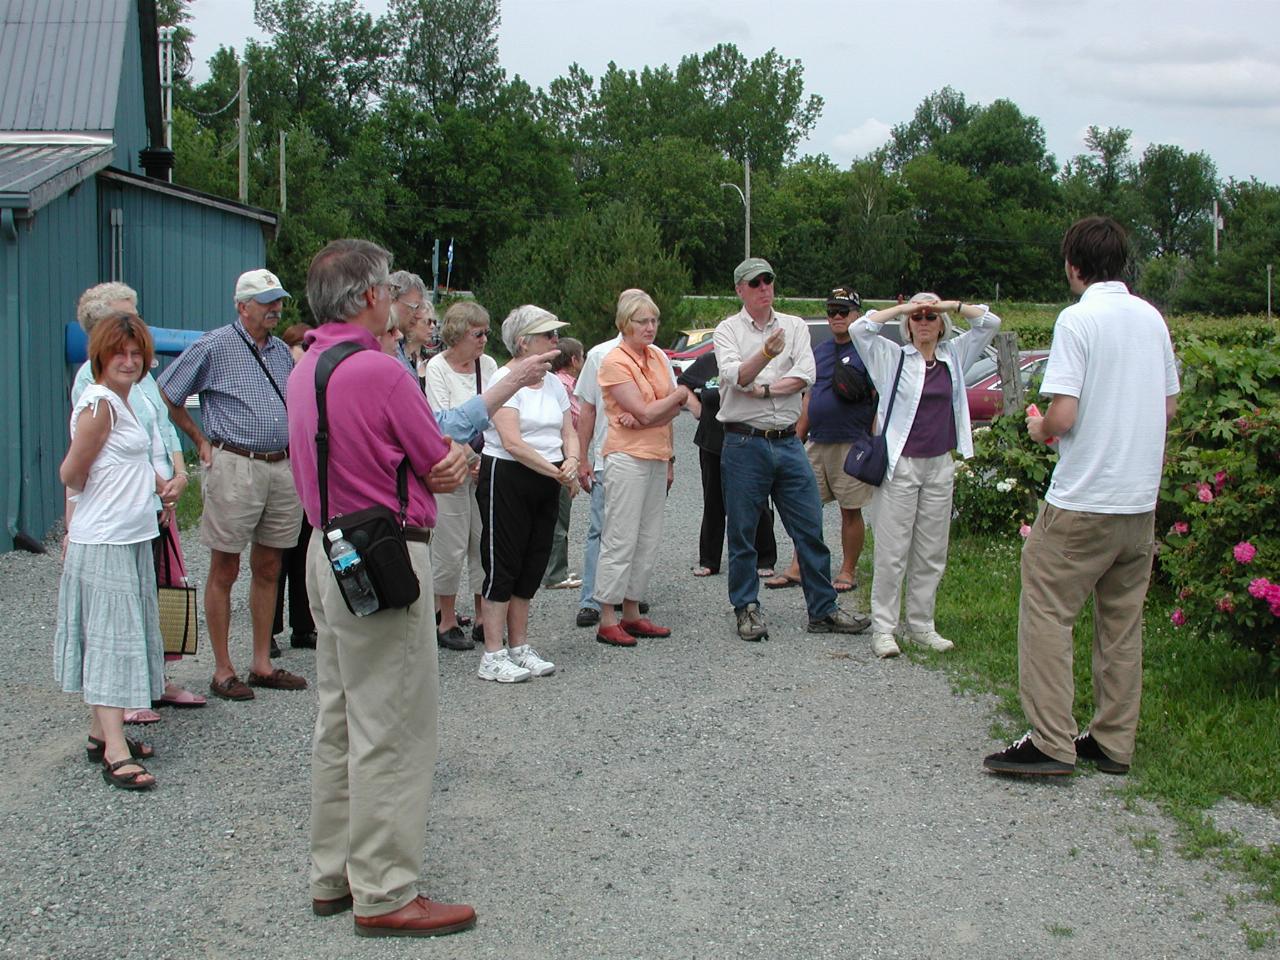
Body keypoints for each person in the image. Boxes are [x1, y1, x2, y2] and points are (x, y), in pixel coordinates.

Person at [287, 238, 476, 937]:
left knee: (339, 720)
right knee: (392, 726)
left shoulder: (305, 366)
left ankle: (334, 873)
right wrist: (452, 461)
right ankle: (387, 889)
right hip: (387, 552)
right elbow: (438, 461)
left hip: (325, 548)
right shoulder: (384, 371)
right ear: (369, 297)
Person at [984, 217, 1179, 777]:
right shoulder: (1152, 319)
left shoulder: (1078, 319)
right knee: (1121, 622)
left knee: (1047, 611)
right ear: (1122, 264)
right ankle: (1113, 741)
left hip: (1082, 498)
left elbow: (1064, 415)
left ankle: (1051, 741)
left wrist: (1039, 426)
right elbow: (1167, 408)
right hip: (1138, 502)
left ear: (1074, 266)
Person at [157, 268, 308, 701]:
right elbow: (169, 393)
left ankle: (261, 662)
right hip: (235, 463)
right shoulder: (212, 345)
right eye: (266, 302)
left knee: (270, 565)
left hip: (280, 467)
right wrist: (201, 440)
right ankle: (223, 668)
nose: (275, 309)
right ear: (242, 306)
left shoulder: (281, 351)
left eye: (277, 300)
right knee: (225, 567)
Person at [712, 257, 870, 642]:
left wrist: (763, 387)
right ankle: (746, 607)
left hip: (788, 440)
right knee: (744, 533)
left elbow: (806, 376)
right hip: (744, 441)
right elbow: (735, 376)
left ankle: (823, 609)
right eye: (755, 283)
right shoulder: (726, 331)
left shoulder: (796, 326)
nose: (764, 287)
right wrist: (766, 355)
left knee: (809, 527)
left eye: (768, 280)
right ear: (740, 290)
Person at [71, 283, 204, 717]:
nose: (139, 322)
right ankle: (120, 706)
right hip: (115, 520)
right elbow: (79, 469)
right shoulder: (94, 392)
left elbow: (157, 433)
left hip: (150, 509)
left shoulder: (140, 380)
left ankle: (152, 680)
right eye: (127, 316)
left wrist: (177, 475)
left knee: (154, 597)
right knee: (117, 616)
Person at [851, 293, 1001, 659]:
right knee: (892, 551)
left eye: (930, 317)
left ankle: (921, 624)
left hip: (939, 463)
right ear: (907, 323)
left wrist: (951, 306)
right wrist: (901, 308)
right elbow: (860, 328)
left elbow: (990, 324)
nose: (923, 322)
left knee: (932, 551)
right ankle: (884, 628)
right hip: (901, 464)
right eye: (917, 317)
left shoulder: (954, 355)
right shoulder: (892, 358)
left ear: (941, 324)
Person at [56, 312, 166, 790]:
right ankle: (115, 752)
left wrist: (160, 484)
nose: (128, 360)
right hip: (104, 538)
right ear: (100, 355)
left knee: (125, 635)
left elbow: (127, 461)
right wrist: (91, 507)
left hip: (129, 534)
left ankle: (101, 733)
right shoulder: (99, 404)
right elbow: (71, 472)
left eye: (135, 352)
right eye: (119, 352)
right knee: (108, 641)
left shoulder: (125, 401)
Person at [475, 305, 579, 682]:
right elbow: (513, 443)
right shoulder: (505, 380)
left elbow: (569, 428)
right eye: (548, 335)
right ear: (523, 343)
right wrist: (560, 473)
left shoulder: (552, 381)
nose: (556, 341)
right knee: (503, 562)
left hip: (546, 476)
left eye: (556, 334)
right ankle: (492, 653)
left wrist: (573, 459)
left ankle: (519, 646)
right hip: (508, 475)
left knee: (533, 562)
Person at [594, 291, 696, 646]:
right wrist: (679, 396)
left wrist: (652, 417)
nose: (650, 327)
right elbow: (656, 410)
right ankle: (607, 615)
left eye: (654, 321)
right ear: (625, 324)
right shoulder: (613, 361)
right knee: (620, 536)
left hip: (655, 454)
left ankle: (632, 611)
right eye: (642, 321)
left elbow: (655, 414)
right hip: (626, 457)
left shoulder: (655, 356)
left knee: (648, 537)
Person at [765, 287, 876, 594]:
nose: (837, 317)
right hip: (818, 440)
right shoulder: (821, 351)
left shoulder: (868, 350)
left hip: (851, 441)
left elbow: (878, 397)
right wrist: (796, 437)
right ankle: (798, 567)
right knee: (805, 507)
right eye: (832, 312)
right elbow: (809, 396)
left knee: (850, 509)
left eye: (843, 311)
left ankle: (847, 570)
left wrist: (873, 440)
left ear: (857, 314)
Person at [424, 301, 497, 651]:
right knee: (449, 544)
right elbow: (441, 419)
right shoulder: (437, 367)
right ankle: (447, 618)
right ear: (458, 334)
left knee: (482, 541)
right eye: (477, 333)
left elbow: (495, 411)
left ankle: (484, 615)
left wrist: (482, 458)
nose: (484, 339)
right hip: (450, 467)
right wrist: (466, 458)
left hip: (483, 465)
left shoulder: (489, 365)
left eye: (486, 332)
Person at [677, 352, 777, 578]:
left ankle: (764, 558)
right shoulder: (709, 361)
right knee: (713, 501)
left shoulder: (756, 359)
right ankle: (709, 560)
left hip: (749, 440)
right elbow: (682, 385)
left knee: (755, 500)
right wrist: (698, 409)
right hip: (712, 441)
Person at [273, 323, 316, 651]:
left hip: (305, 471)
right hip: (279, 468)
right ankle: (270, 628)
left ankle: (304, 624)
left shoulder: (313, 378)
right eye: (302, 344)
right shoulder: (281, 379)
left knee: (304, 550)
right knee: (275, 554)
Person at [543, 337, 585, 591]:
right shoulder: (565, 387)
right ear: (573, 360)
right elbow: (571, 425)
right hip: (560, 458)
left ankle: (550, 569)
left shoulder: (557, 383)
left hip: (557, 456)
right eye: (582, 355)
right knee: (559, 516)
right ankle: (556, 573)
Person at [389, 270, 434, 385]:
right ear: (392, 300)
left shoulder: (401, 346)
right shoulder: (384, 346)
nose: (418, 315)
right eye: (414, 307)